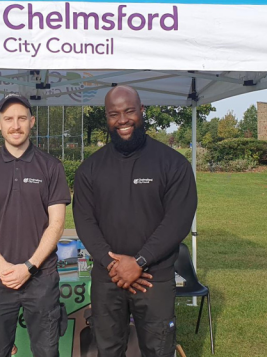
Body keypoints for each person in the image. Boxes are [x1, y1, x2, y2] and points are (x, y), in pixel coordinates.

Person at [73, 86, 198, 357]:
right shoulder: (90, 168)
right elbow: (84, 220)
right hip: (108, 279)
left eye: (129, 111)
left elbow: (178, 220)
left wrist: (139, 261)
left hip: (154, 277)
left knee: (158, 350)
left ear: (142, 111)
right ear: (106, 118)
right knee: (107, 350)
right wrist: (114, 264)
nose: (122, 120)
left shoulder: (173, 164)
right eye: (113, 114)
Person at [0, 93, 71, 357]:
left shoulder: (51, 166)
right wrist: (3, 268)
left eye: (22, 118)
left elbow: (57, 224)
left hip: (41, 276)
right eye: (9, 119)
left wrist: (29, 266)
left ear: (32, 121)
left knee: (47, 352)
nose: (16, 125)